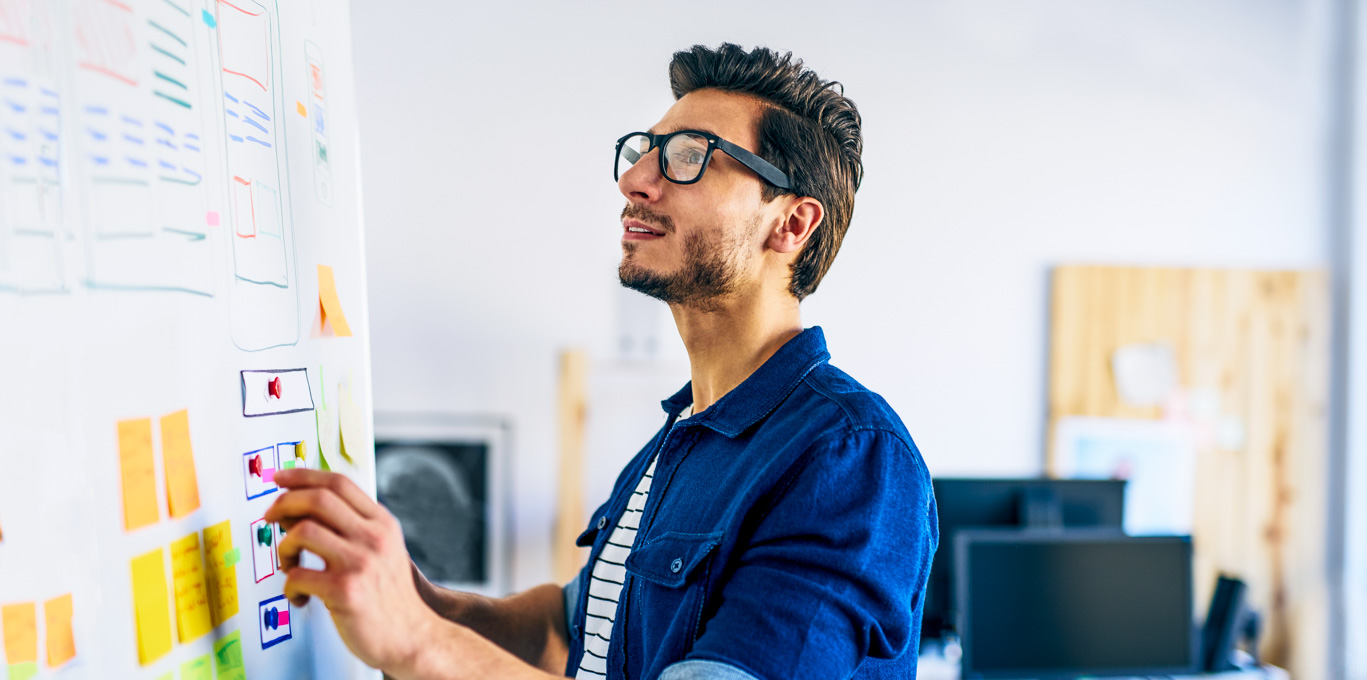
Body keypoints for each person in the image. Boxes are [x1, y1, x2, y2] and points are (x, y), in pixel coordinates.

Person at [267, 42, 938, 680]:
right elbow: (569, 631)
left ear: (791, 224)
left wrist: (417, 639)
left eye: (688, 157)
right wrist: (416, 597)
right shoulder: (682, 436)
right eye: (644, 151)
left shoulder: (850, 459)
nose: (635, 179)